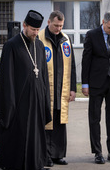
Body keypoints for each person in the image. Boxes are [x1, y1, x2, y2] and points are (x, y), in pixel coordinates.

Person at [0, 10, 51, 170]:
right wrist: (9, 106)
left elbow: (43, 74)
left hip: (37, 101)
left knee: (35, 137)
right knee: (18, 137)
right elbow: (7, 78)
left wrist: (45, 100)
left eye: (37, 30)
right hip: (18, 103)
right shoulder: (11, 45)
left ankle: (35, 163)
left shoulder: (39, 45)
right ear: (24, 25)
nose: (35, 33)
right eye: (33, 29)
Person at [81, 9, 110, 164]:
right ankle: (98, 152)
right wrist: (85, 83)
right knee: (95, 118)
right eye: (109, 28)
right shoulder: (91, 35)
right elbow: (86, 60)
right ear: (103, 22)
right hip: (96, 83)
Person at [38, 10, 76, 166]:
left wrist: (72, 88)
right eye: (55, 25)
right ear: (48, 22)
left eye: (61, 25)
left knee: (60, 123)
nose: (58, 28)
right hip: (45, 89)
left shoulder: (66, 39)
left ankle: (57, 155)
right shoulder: (39, 38)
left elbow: (72, 65)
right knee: (47, 122)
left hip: (62, 89)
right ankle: (45, 156)